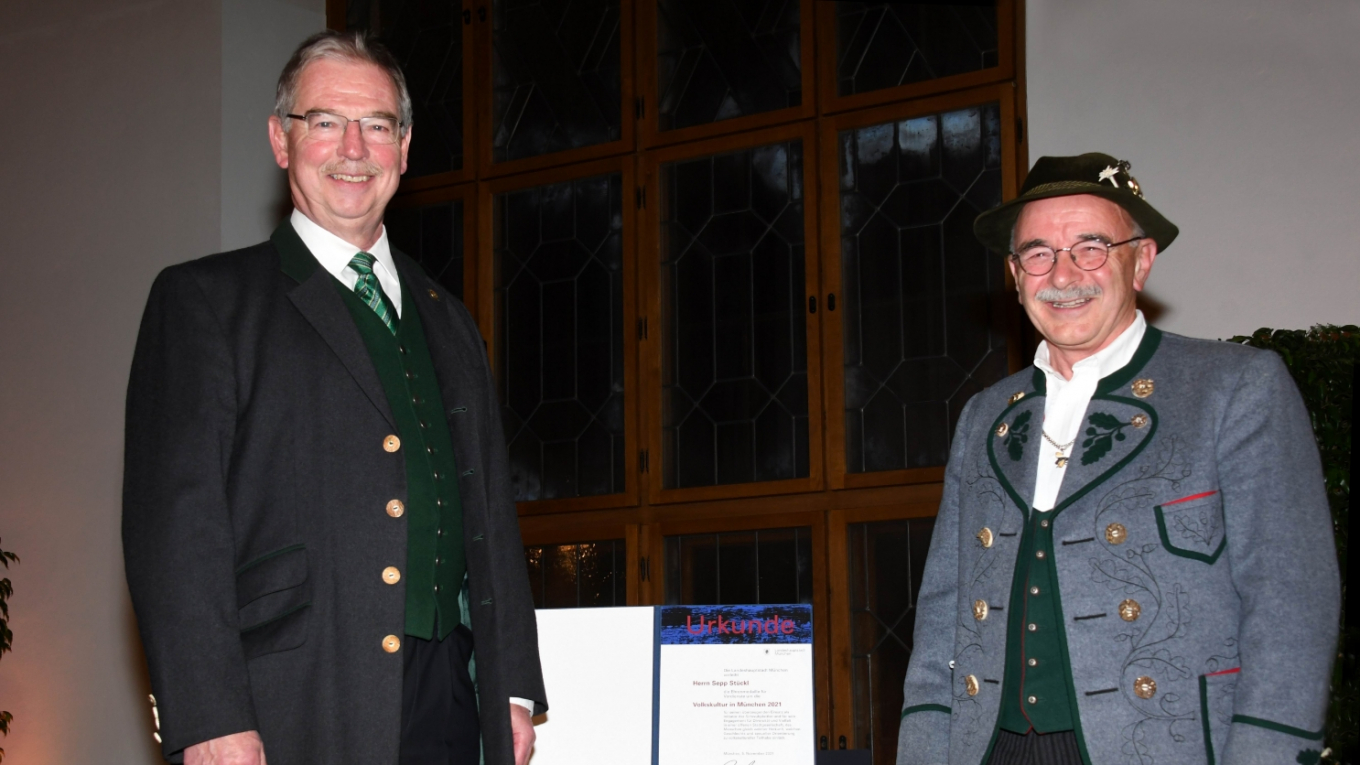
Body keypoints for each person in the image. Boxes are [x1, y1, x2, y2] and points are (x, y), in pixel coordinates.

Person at [123, 30, 545, 765]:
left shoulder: (449, 316)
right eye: (324, 122)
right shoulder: (204, 303)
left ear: (404, 148)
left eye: (377, 126)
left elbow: (488, 517)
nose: (353, 148)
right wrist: (208, 715)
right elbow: (176, 532)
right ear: (281, 142)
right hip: (289, 697)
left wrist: (511, 685)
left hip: (450, 695)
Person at [896, 153, 1339, 765]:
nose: (1063, 273)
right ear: (1015, 273)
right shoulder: (985, 416)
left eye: (1091, 246)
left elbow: (1290, 605)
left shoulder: (1234, 389)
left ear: (1142, 260)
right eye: (1038, 253)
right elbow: (943, 614)